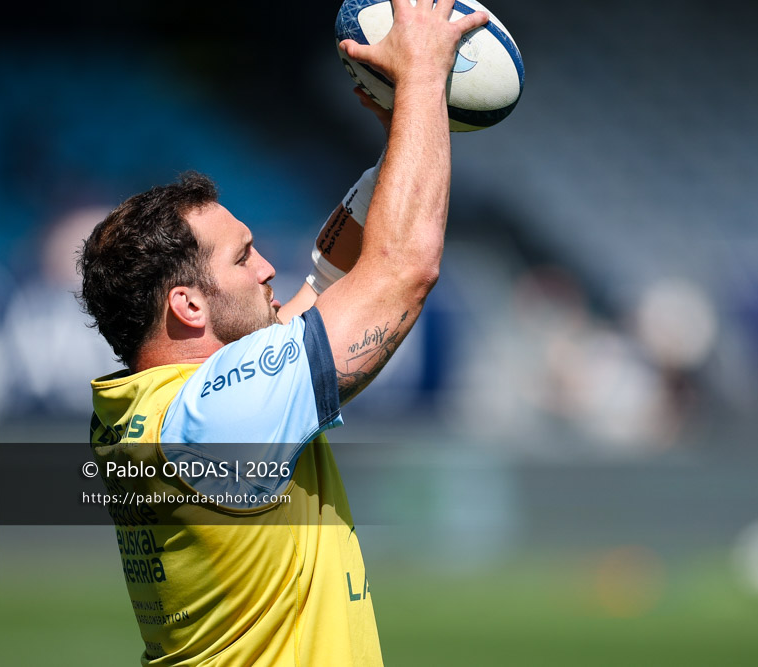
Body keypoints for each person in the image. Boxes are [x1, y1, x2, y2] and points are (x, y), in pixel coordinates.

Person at [77, 2, 489, 665]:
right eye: (243, 257)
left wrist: (401, 138)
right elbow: (403, 269)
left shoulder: (155, 408)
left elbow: (325, 284)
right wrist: (421, 82)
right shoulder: (220, 418)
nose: (268, 266)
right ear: (186, 305)